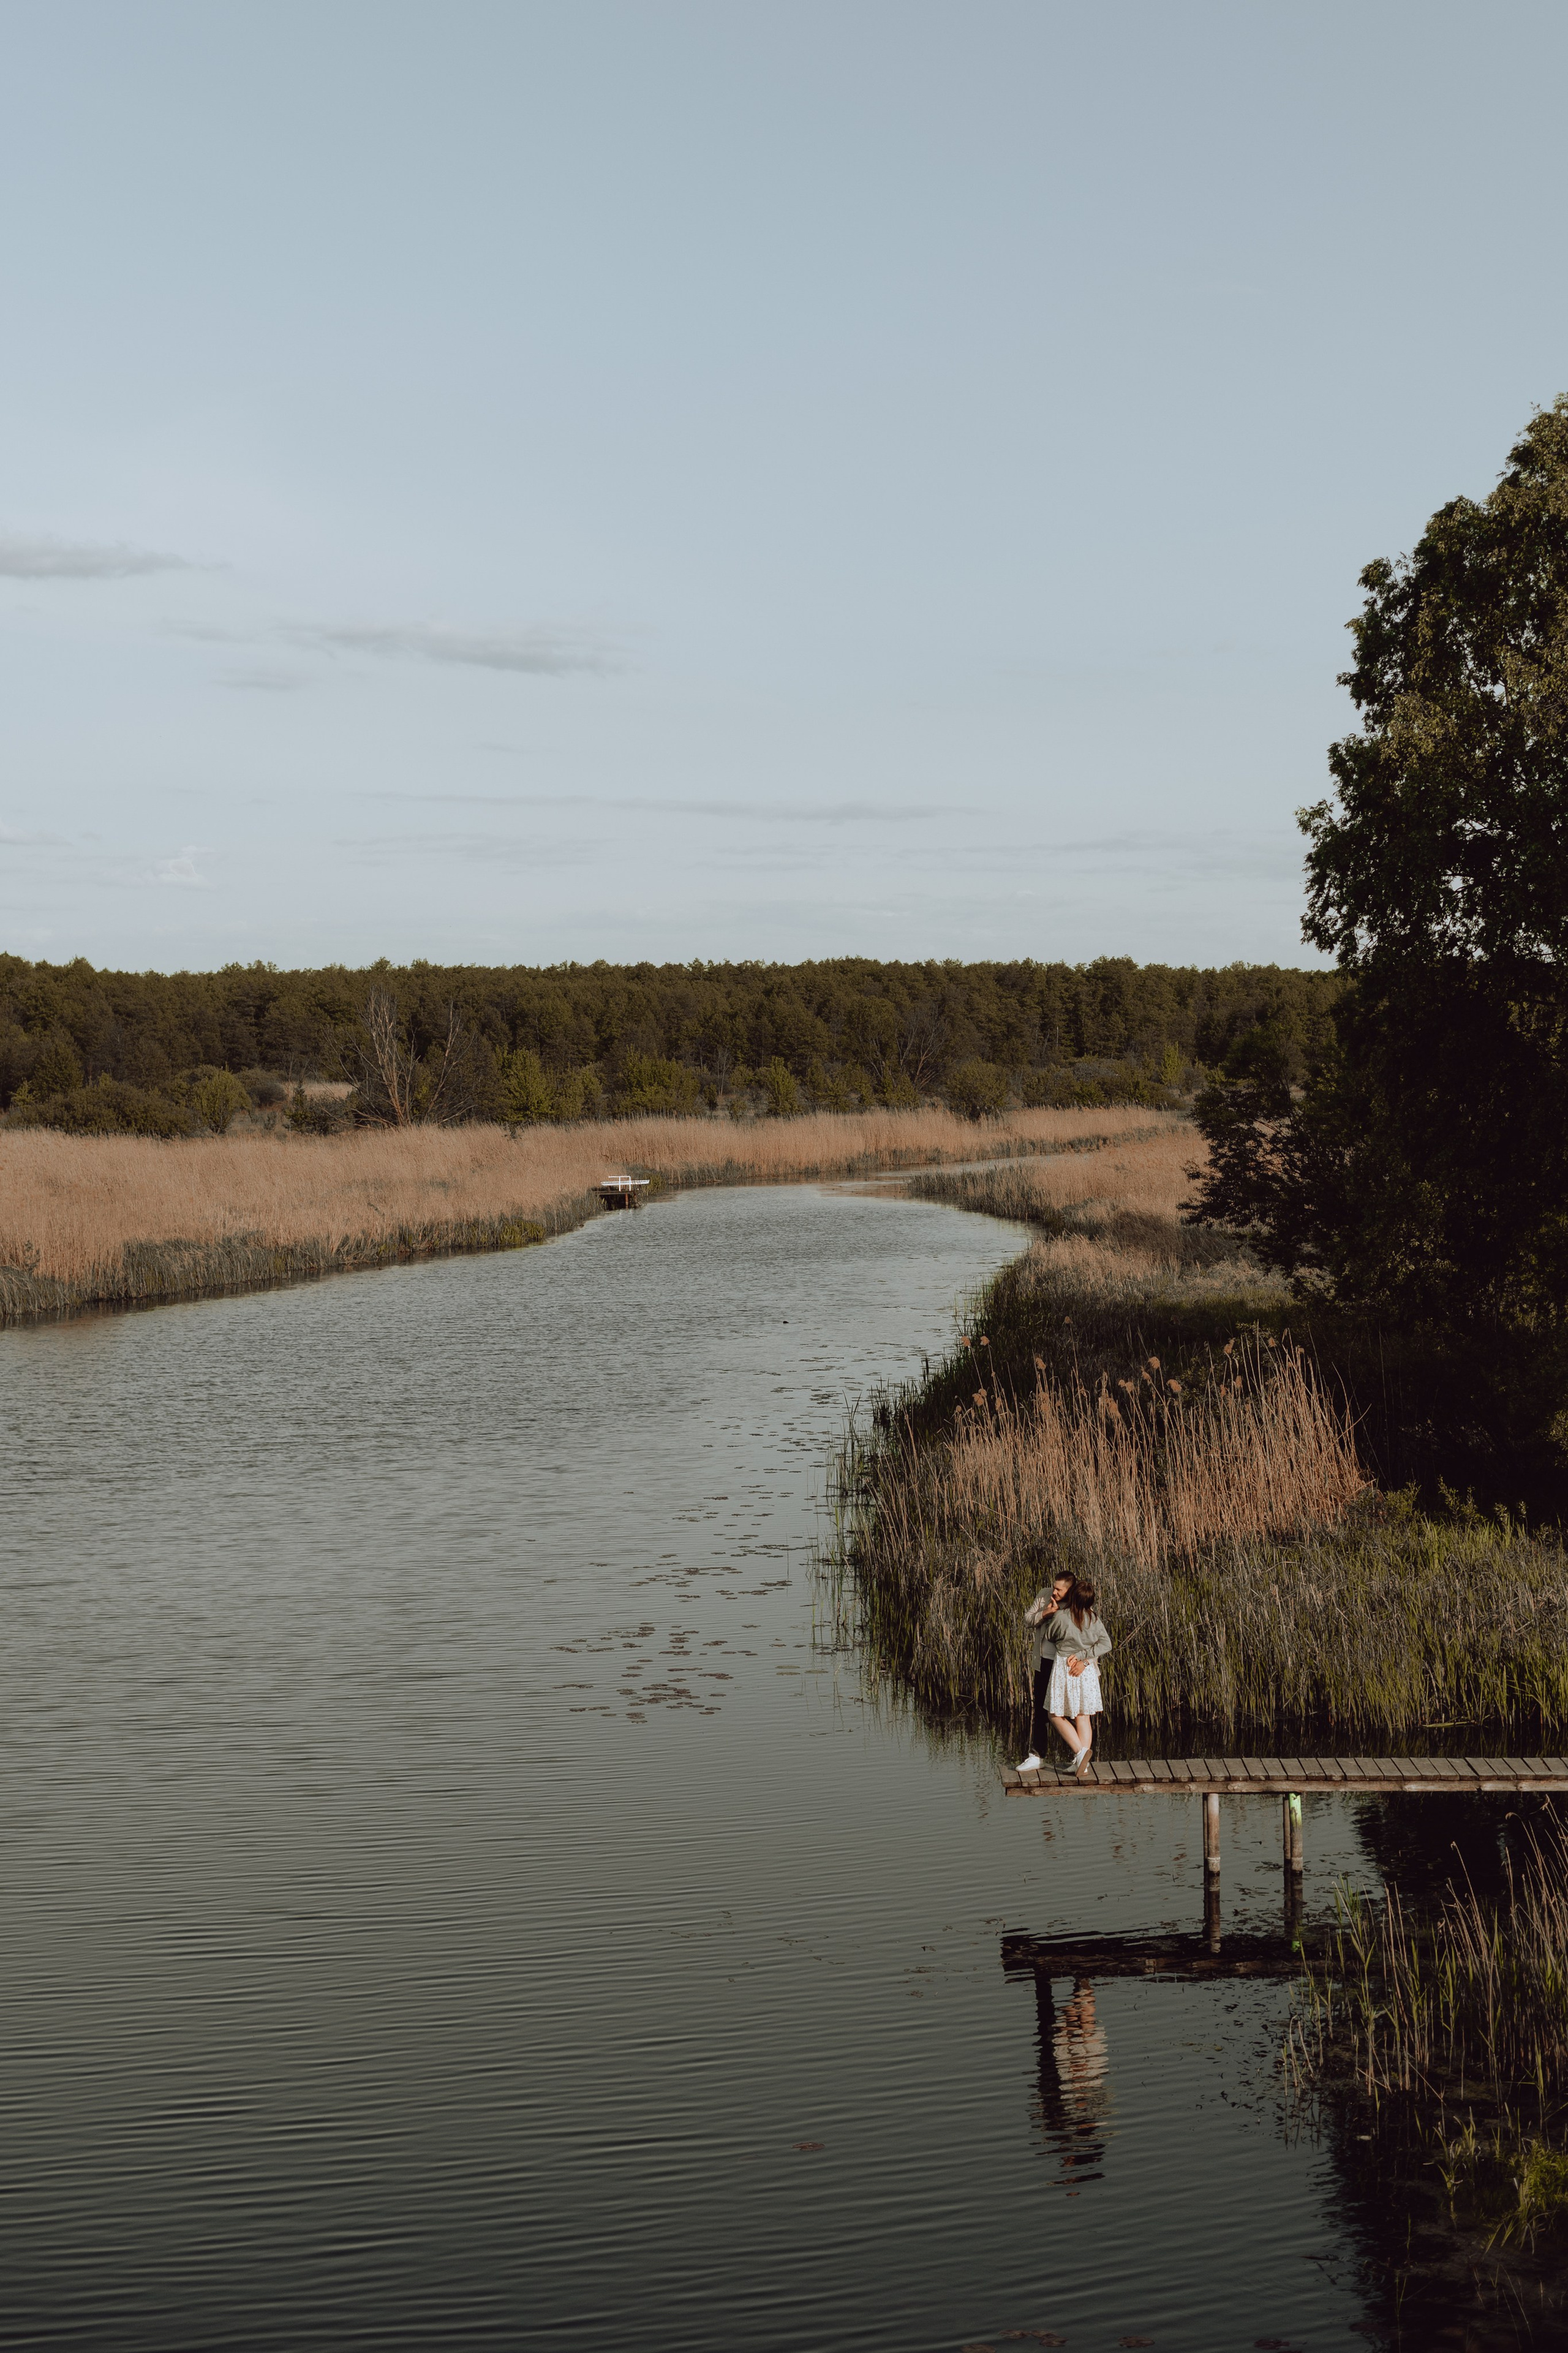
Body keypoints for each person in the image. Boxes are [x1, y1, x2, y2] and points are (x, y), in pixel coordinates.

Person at [1044, 1577, 1112, 1775]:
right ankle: (1082, 1764)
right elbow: (1106, 1644)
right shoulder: (1094, 1618)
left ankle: (1081, 1754)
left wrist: (1052, 1613)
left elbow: (1050, 1636)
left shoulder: (1062, 1617)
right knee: (1083, 1716)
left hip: (1065, 1666)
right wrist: (1084, 1657)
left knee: (1055, 1714)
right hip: (1086, 1669)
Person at [1016, 1569, 1073, 1771]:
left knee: (1073, 1710)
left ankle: (1080, 1754)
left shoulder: (1077, 1602)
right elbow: (1027, 1620)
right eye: (1054, 1587)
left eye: (1059, 1589)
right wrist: (1045, 1613)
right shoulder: (1044, 1595)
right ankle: (1037, 1755)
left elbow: (1088, 1633)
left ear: (1069, 1589)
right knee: (1040, 1709)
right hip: (1045, 1662)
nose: (1054, 1592)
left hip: (1067, 1665)